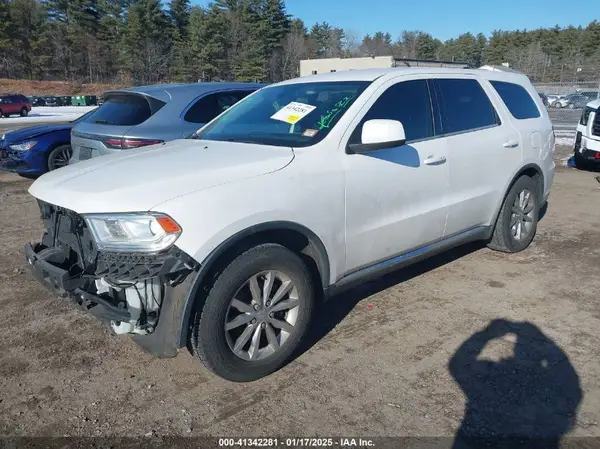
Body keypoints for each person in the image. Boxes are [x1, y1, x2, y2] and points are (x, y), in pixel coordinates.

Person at [449, 319, 582, 449]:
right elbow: (568, 378)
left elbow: (458, 364)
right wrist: (545, 343)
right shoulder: (551, 387)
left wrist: (487, 334)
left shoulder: (489, 378)